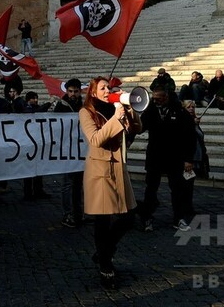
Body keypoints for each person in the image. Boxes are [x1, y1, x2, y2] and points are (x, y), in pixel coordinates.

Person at [80, 76, 141, 290]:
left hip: (118, 168)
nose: (108, 90)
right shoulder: (86, 112)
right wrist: (116, 118)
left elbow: (137, 129)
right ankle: (106, 266)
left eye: (109, 87)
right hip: (99, 170)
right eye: (103, 88)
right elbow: (95, 139)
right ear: (93, 92)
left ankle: (104, 251)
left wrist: (130, 109)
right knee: (103, 220)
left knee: (128, 215)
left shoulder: (116, 107)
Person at [138, 86, 196, 233]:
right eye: (154, 98)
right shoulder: (150, 110)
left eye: (159, 99)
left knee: (177, 189)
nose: (156, 101)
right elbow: (140, 128)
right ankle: (147, 218)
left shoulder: (180, 111)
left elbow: (189, 136)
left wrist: (188, 159)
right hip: (155, 156)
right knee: (151, 189)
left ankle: (179, 219)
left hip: (174, 157)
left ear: (167, 97)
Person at [56, 78, 84, 228]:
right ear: (66, 91)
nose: (73, 94)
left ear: (80, 91)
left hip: (81, 149)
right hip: (67, 149)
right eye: (70, 91)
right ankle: (68, 214)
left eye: (76, 91)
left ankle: (78, 213)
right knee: (68, 183)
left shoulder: (84, 105)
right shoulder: (60, 105)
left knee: (79, 184)